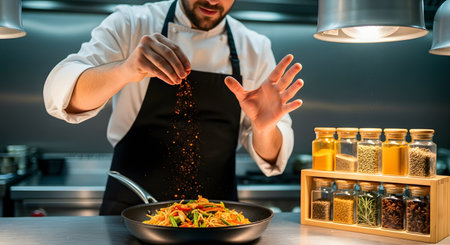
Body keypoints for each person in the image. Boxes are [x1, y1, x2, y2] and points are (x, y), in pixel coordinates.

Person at [43, 0, 304, 215]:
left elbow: (272, 157)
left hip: (217, 218)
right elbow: (60, 92)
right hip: (132, 211)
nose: (214, 1)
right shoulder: (132, 24)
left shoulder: (254, 47)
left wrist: (265, 128)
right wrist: (125, 69)